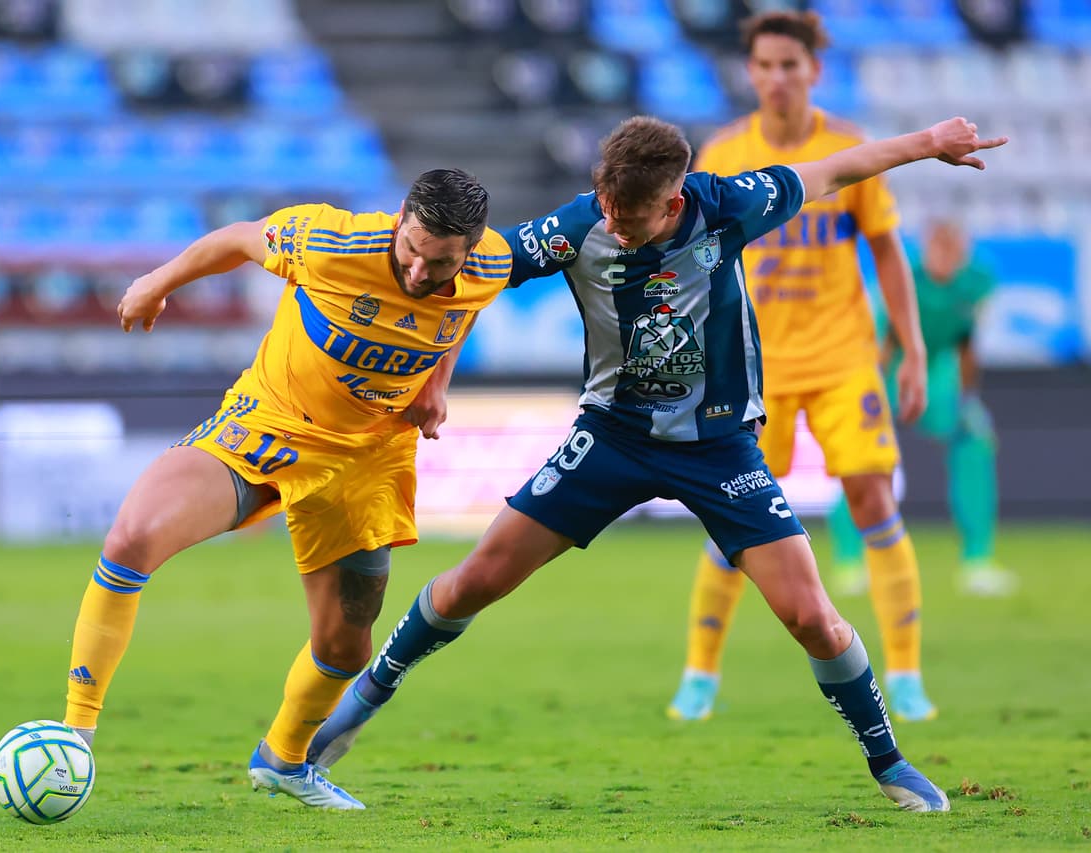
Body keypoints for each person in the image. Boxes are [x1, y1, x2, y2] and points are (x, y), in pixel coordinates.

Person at [307, 114, 1005, 812]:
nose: (613, 225)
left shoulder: (727, 206)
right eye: (607, 207)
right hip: (612, 437)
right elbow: (475, 278)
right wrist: (438, 377)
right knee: (476, 579)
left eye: (630, 217)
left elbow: (835, 171)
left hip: (720, 446)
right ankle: (360, 703)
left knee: (811, 617)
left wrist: (928, 144)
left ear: (672, 202)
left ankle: (889, 761)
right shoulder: (576, 226)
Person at [60, 169, 514, 811]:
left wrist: (436, 383)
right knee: (132, 539)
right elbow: (238, 239)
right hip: (268, 424)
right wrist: (157, 284)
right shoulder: (328, 242)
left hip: (367, 457)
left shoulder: (492, 264)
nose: (419, 272)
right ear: (399, 220)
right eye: (412, 250)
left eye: (440, 263)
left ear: (468, 251)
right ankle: (73, 738)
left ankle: (283, 761)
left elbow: (460, 314)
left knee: (345, 645)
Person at [667, 11, 938, 725]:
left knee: (873, 499)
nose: (778, 77)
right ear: (750, 72)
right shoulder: (726, 153)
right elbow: (693, 257)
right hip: (752, 368)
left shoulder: (846, 149)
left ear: (814, 69)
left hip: (844, 357)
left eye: (790, 64)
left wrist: (912, 347)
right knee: (733, 511)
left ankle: (905, 674)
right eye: (765, 65)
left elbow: (887, 249)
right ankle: (699, 673)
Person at [826, 220, 1017, 597]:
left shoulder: (978, 280)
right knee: (860, 458)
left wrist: (968, 398)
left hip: (937, 371)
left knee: (975, 440)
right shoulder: (905, 273)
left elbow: (966, 343)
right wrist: (870, 395)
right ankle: (849, 561)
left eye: (953, 250)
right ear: (927, 248)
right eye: (939, 249)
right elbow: (880, 337)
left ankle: (977, 560)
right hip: (887, 367)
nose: (945, 258)